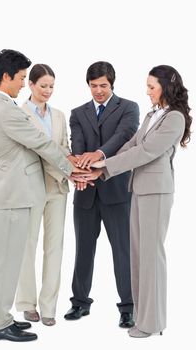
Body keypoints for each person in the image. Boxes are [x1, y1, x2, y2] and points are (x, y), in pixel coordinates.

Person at [0, 49, 86, 342]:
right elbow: (41, 142)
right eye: (21, 78)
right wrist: (71, 169)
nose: (21, 83)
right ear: (6, 77)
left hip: (11, 193)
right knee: (8, 260)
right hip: (14, 194)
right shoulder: (8, 110)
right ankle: (0, 322)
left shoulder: (1, 107)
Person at [87, 65, 192, 337]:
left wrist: (106, 166)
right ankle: (141, 318)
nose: (147, 92)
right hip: (139, 189)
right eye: (147, 87)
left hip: (157, 192)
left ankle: (152, 323)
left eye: (152, 87)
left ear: (166, 88)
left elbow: (146, 152)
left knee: (151, 258)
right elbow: (132, 144)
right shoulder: (153, 114)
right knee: (138, 256)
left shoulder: (174, 118)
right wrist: (101, 165)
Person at [64, 61, 139, 328]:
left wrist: (100, 155)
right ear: (88, 85)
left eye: (103, 86)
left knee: (122, 250)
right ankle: (80, 303)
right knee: (83, 250)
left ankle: (128, 307)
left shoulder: (129, 108)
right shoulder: (77, 113)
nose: (98, 91)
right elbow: (78, 142)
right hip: (86, 192)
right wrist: (81, 170)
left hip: (117, 191)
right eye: (93, 86)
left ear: (112, 84)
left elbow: (124, 136)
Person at [15, 64, 74, 326]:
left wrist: (74, 170)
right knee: (27, 246)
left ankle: (49, 306)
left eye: (52, 86)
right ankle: (27, 304)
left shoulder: (59, 115)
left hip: (58, 188)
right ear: (31, 85)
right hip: (31, 188)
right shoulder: (18, 114)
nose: (48, 91)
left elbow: (64, 148)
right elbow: (35, 151)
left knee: (55, 248)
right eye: (43, 86)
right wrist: (70, 171)